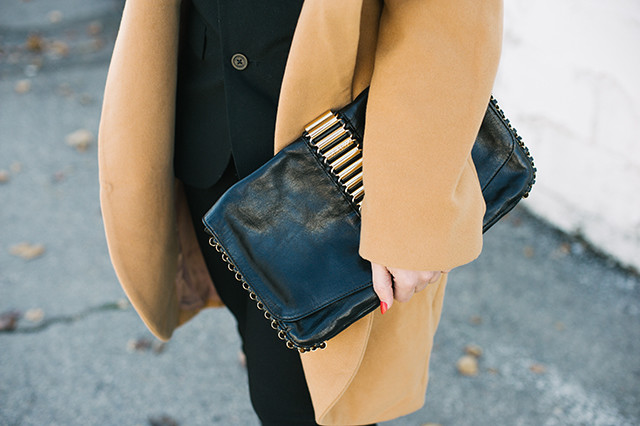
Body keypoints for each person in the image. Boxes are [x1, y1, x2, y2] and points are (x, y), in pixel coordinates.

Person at [98, 0, 503, 424]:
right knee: (264, 363)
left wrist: (410, 218)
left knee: (303, 406)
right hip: (209, 144)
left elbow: (443, 21)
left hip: (337, 176)